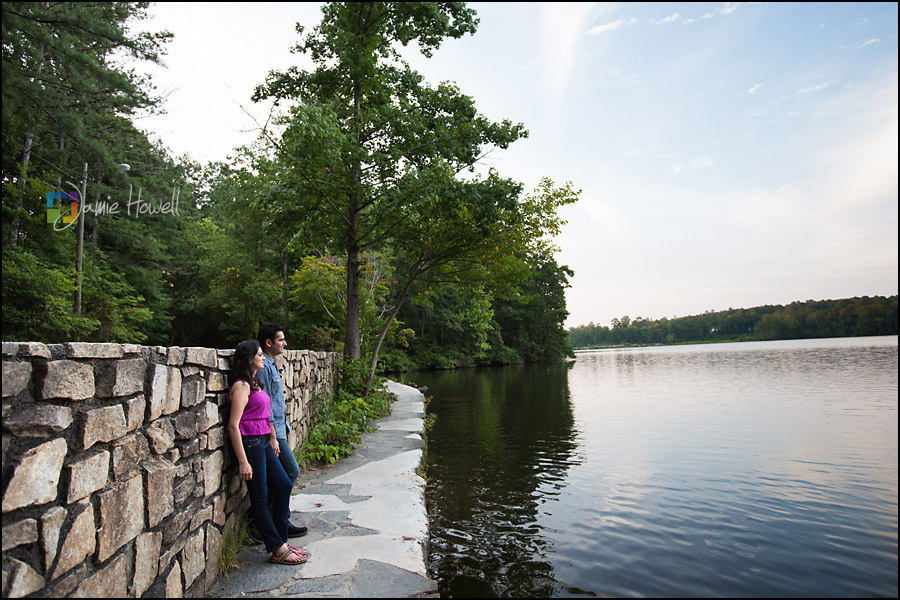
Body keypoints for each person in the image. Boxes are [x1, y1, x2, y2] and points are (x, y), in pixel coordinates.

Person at [227, 340, 308, 565]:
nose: (263, 358)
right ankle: (277, 548)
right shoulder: (241, 386)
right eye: (259, 355)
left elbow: (265, 412)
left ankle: (282, 539)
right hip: (250, 444)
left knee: (283, 485)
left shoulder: (255, 382)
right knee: (260, 498)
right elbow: (234, 425)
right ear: (248, 358)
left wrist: (272, 436)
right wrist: (243, 461)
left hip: (263, 441)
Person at [256, 323, 308, 538]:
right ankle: (274, 522)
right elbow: (265, 402)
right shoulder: (264, 367)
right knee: (291, 471)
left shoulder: (271, 364)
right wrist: (273, 436)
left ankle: (276, 521)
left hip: (278, 428)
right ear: (269, 343)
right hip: (272, 432)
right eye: (281, 340)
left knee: (278, 477)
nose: (285, 343)